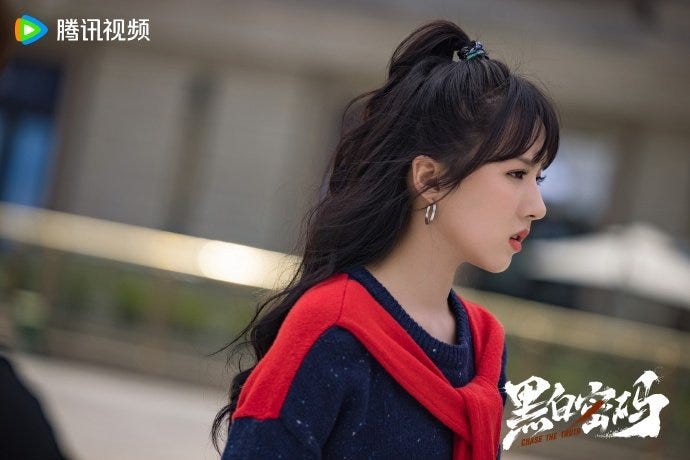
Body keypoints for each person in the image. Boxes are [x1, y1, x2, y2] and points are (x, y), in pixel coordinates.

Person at [213, 19, 559, 459]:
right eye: (516, 174)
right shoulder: (332, 328)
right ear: (429, 178)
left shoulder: (484, 344)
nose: (537, 206)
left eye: (538, 178)